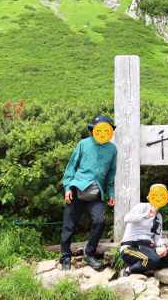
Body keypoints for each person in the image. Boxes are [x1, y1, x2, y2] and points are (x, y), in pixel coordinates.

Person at [60, 115, 118, 271]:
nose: (103, 132)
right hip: (77, 190)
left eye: (107, 129)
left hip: (96, 193)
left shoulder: (112, 149)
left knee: (100, 221)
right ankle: (65, 257)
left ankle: (89, 254)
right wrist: (67, 188)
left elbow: (111, 173)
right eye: (100, 129)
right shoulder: (83, 144)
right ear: (94, 130)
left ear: (110, 131)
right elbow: (71, 167)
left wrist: (111, 192)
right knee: (69, 225)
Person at [119, 184, 168, 277]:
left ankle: (144, 266)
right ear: (151, 196)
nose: (159, 198)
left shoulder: (159, 216)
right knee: (153, 259)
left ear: (165, 199)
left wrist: (163, 246)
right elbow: (126, 218)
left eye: (162, 196)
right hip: (131, 247)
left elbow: (157, 237)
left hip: (147, 248)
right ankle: (128, 270)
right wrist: (146, 215)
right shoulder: (141, 207)